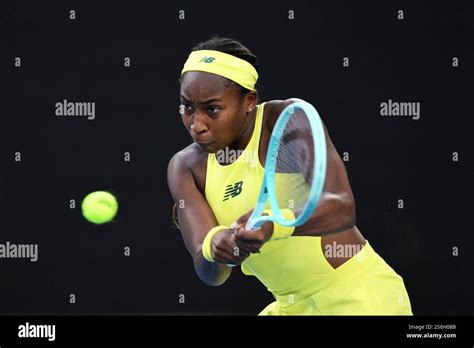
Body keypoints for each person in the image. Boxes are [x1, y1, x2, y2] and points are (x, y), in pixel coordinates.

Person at [167, 36, 412, 315]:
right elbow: (210, 272)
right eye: (187, 107)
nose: (197, 125)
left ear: (249, 100)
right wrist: (217, 247)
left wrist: (272, 225)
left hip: (358, 295)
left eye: (213, 109)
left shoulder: (285, 123)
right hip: (290, 307)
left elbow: (341, 207)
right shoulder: (184, 167)